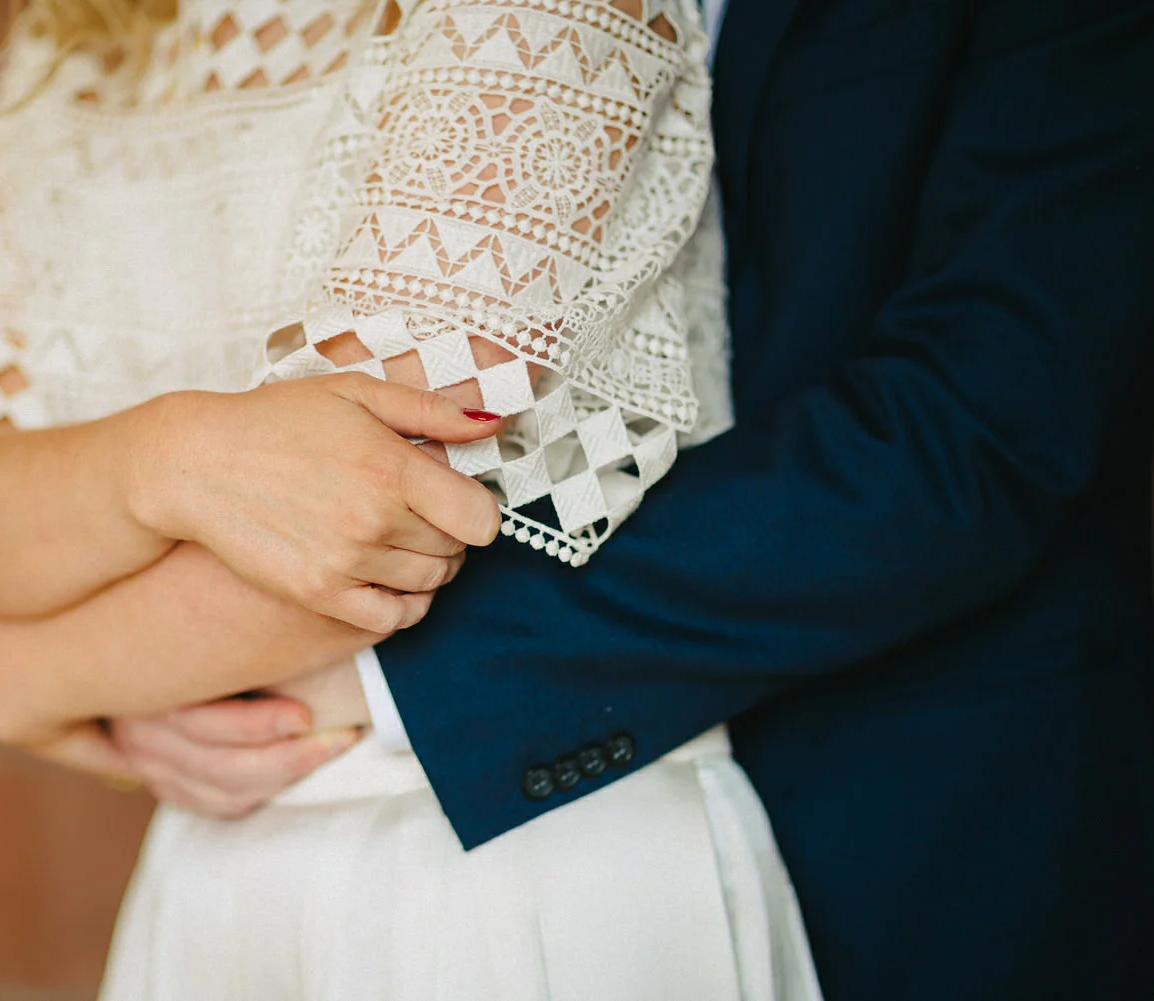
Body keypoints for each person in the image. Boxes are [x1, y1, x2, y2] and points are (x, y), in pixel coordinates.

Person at [130, 0, 1154, 998]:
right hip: (304, 834)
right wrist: (80, 686)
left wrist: (366, 676)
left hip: (918, 820)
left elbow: (978, 426)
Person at [0, 0, 821, 998]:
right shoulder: (79, 35)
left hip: (527, 859)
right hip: (211, 874)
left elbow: (366, 515)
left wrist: (11, 671)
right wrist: (163, 458)